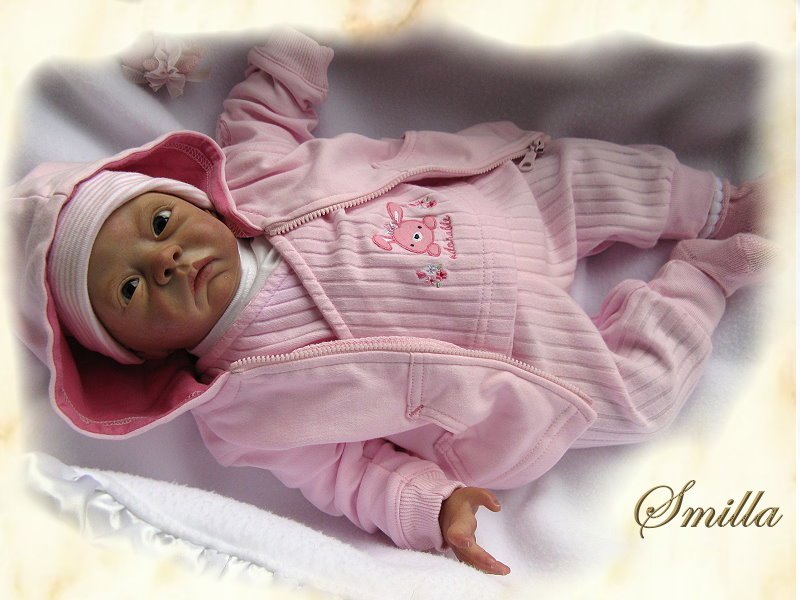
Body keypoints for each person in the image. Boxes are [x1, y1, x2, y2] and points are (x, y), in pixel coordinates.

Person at [10, 27, 773, 576]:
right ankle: (709, 273)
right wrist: (430, 508)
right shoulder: (242, 413)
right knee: (635, 397)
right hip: (508, 368)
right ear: (134, 354)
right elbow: (347, 473)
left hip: (499, 209)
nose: (167, 259)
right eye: (130, 288)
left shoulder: (254, 175)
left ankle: (723, 206)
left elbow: (277, 95)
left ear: (185, 195)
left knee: (590, 176)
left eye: (158, 223)